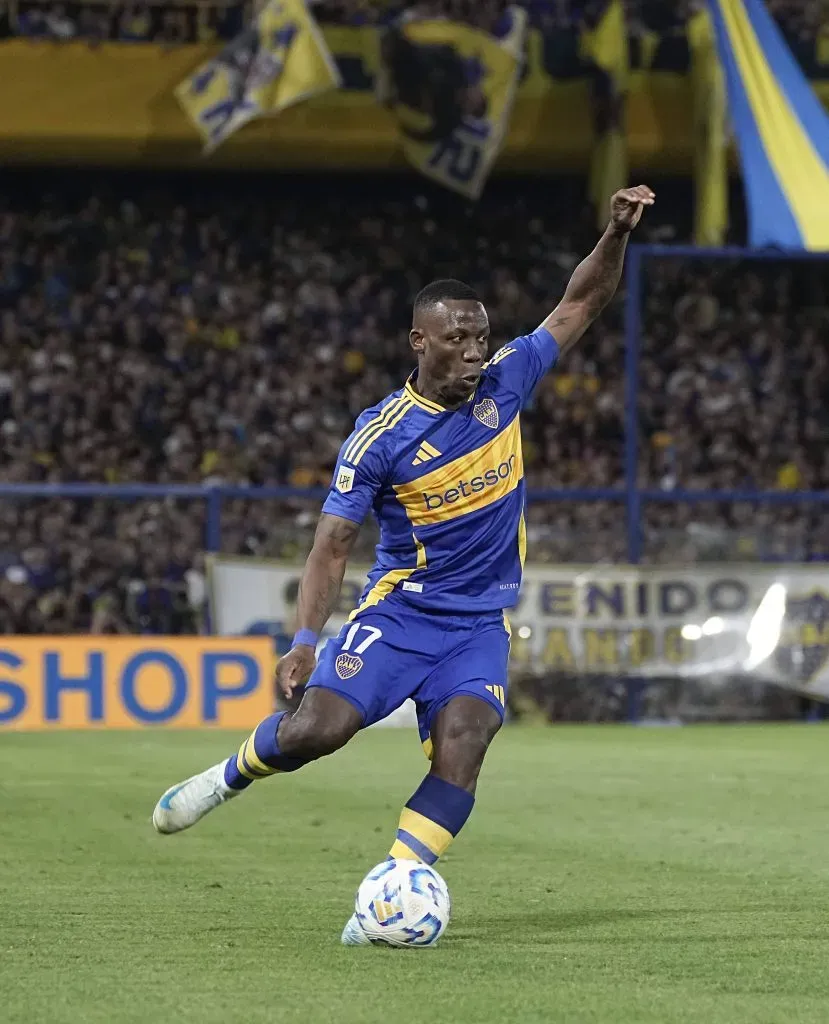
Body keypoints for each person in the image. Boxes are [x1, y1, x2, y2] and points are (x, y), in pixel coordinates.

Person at [151, 185, 655, 943]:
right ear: (418, 341)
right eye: (457, 338)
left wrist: (613, 234)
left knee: (467, 739)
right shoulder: (379, 436)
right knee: (315, 730)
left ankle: (392, 886)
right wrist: (302, 641)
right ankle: (225, 778)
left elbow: (577, 304)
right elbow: (332, 544)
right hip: (401, 614)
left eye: (481, 336)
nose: (475, 350)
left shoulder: (507, 383)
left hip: (478, 625)